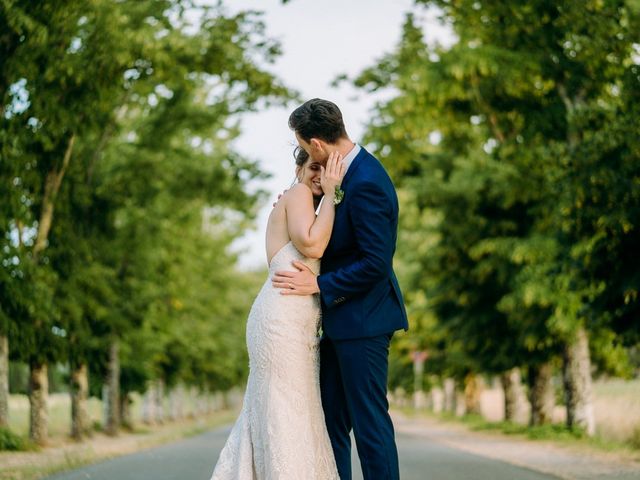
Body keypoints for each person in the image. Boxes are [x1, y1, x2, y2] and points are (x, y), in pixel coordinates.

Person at [272, 98, 408, 480]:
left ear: (315, 143)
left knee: (370, 429)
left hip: (364, 322)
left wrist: (318, 283)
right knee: (330, 424)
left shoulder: (366, 181)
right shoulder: (338, 176)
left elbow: (375, 264)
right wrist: (294, 209)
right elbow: (331, 233)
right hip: (337, 322)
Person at [209, 146, 344, 479]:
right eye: (314, 167)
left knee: (291, 411)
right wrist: (331, 195)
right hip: (281, 321)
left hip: (296, 322)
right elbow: (312, 245)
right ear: (298, 169)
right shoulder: (299, 194)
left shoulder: (304, 202)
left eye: (326, 169)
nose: (320, 175)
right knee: (285, 415)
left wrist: (327, 199)